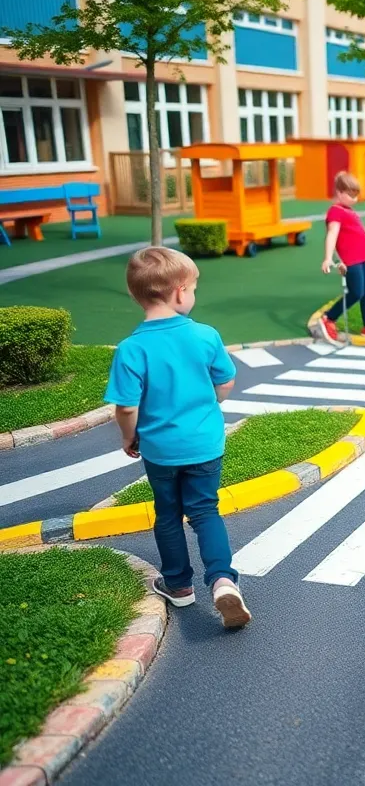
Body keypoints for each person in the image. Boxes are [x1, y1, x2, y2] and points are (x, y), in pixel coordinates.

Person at [104, 247, 251, 629]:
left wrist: (128, 437)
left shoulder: (131, 349)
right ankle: (222, 580)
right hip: (204, 444)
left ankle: (179, 586)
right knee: (204, 511)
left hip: (161, 451)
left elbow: (125, 408)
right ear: (180, 291)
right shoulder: (205, 335)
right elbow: (225, 382)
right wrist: (210, 403)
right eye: (195, 289)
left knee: (168, 514)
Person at [320, 172, 365, 342]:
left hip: (363, 256)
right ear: (339, 193)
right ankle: (328, 317)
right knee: (356, 292)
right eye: (350, 195)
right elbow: (332, 233)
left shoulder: (347, 210)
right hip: (351, 259)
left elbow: (353, 230)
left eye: (356, 195)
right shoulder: (335, 211)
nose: (354, 199)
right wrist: (328, 257)